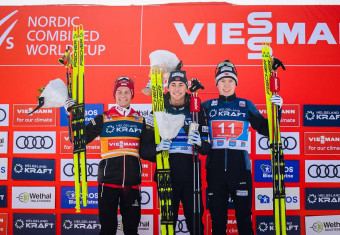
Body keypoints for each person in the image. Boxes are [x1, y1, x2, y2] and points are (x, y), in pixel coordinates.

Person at [201, 60, 284, 235]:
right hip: (215, 170)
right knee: (218, 220)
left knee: (244, 219)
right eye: (222, 81)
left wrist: (278, 109)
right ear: (217, 83)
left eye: (230, 81)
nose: (226, 85)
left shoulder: (245, 105)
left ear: (236, 83)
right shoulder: (207, 106)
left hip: (240, 169)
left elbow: (267, 130)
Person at [65, 76, 150, 235]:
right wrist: (71, 116)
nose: (123, 95)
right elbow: (77, 141)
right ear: (114, 94)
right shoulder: (104, 118)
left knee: (132, 230)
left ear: (132, 94)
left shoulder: (140, 119)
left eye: (126, 92)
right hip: (108, 183)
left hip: (131, 184)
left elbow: (149, 150)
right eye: (119, 92)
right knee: (108, 230)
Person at [140, 69, 211, 234]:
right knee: (167, 223)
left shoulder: (196, 110)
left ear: (186, 87)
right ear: (168, 87)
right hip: (167, 174)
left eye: (181, 85)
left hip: (191, 176)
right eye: (173, 85)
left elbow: (207, 148)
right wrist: (158, 148)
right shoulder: (158, 110)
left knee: (195, 223)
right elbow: (144, 151)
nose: (177, 89)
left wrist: (200, 142)